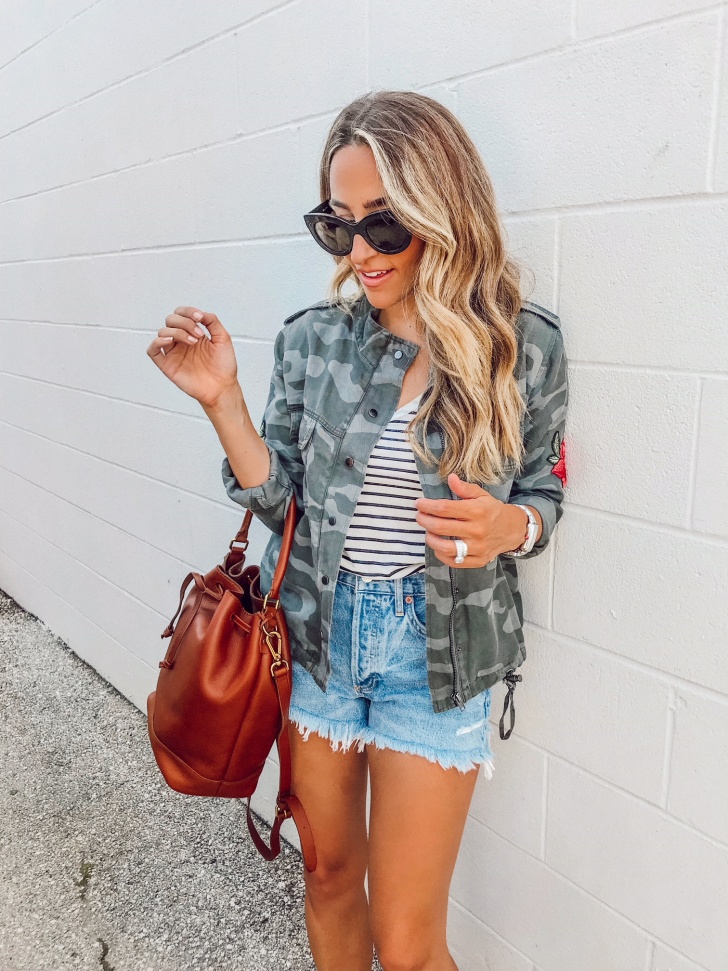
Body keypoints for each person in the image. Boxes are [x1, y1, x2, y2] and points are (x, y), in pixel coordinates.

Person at [147, 90, 569, 971]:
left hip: (439, 652)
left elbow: (541, 498)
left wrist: (510, 527)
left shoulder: (521, 346)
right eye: (338, 227)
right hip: (316, 641)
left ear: (442, 213)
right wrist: (221, 400)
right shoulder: (310, 343)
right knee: (331, 877)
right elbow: (280, 504)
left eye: (385, 225)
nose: (360, 253)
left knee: (408, 944)